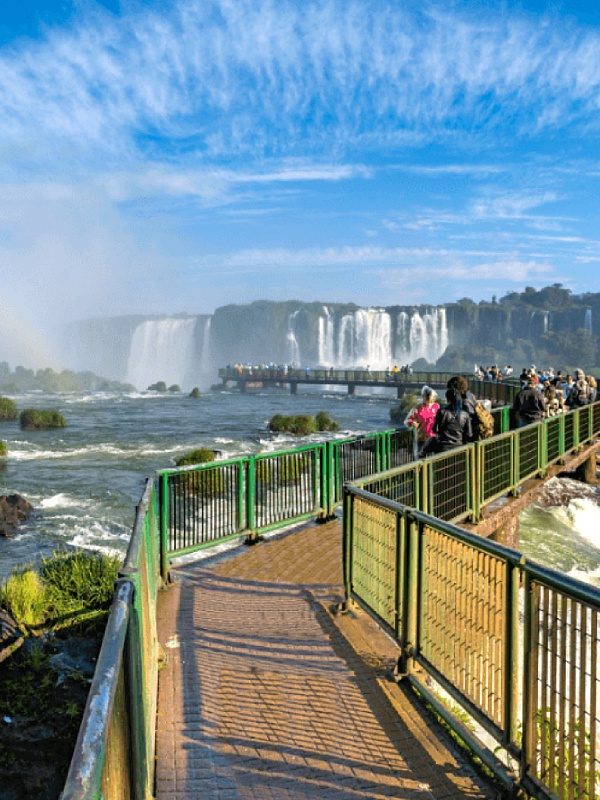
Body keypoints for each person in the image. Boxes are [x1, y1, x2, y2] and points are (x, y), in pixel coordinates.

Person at [422, 387, 473, 455]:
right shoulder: (465, 414)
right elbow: (469, 434)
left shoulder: (441, 412)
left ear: (448, 400)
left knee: (425, 449)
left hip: (443, 448)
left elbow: (435, 429)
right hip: (459, 448)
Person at [404, 386, 439, 457]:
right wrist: (412, 423)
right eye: (431, 397)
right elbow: (408, 420)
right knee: (421, 460)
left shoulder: (436, 406)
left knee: (433, 460)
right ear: (425, 396)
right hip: (422, 439)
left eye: (434, 397)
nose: (433, 399)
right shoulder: (418, 408)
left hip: (434, 438)